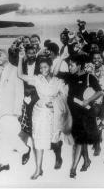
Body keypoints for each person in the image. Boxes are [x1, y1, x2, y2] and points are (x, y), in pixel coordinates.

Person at [18, 48, 72, 180]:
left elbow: (64, 96)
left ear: (50, 67)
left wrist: (54, 102)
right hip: (39, 113)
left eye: (45, 67)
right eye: (40, 67)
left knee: (55, 140)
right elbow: (20, 75)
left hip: (54, 113)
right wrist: (20, 58)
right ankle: (38, 169)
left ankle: (58, 157)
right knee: (39, 141)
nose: (43, 70)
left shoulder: (58, 81)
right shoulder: (37, 79)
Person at [54, 52, 102, 178]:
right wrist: (61, 58)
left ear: (79, 66)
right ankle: (86, 160)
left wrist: (88, 100)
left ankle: (73, 168)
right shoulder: (70, 76)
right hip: (72, 112)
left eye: (72, 65)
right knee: (80, 139)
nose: (70, 67)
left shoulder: (89, 77)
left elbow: (99, 92)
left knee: (79, 141)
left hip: (85, 113)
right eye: (69, 65)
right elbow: (55, 73)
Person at [0, 48, 30, 173]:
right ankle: (4, 163)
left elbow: (20, 91)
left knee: (9, 134)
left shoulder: (15, 70)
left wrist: (17, 110)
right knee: (2, 136)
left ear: (7, 55)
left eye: (0, 54)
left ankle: (25, 150)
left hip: (10, 109)